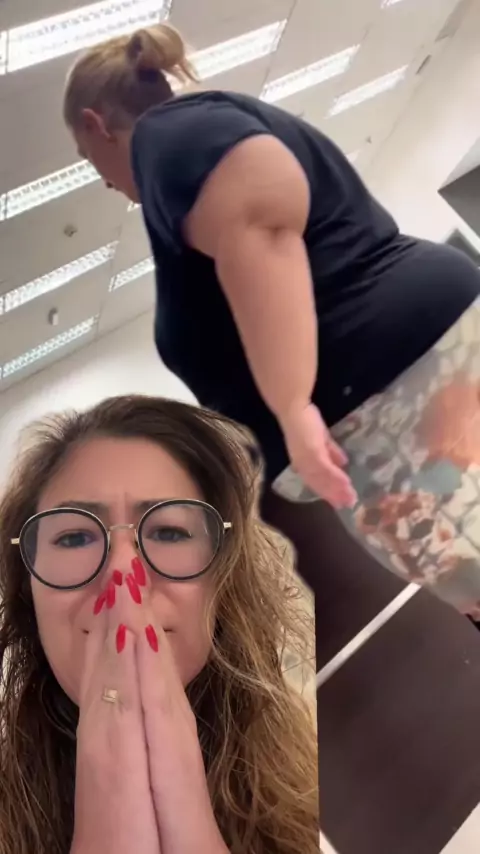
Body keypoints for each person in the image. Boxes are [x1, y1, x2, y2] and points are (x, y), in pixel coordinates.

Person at [62, 23, 480, 623]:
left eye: (88, 158)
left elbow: (261, 218)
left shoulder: (167, 137)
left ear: (97, 124)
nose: (103, 180)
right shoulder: (190, 136)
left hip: (387, 386)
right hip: (396, 376)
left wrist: (292, 406)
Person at [0, 395, 318, 854]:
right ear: (28, 592)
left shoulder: (321, 774)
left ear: (223, 583)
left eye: (169, 532)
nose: (122, 573)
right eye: (74, 537)